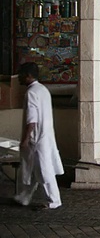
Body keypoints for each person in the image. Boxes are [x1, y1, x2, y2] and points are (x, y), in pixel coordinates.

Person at [14, 62, 64, 209]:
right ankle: (24, 197)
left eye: (21, 75)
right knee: (34, 169)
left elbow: (32, 120)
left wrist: (25, 139)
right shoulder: (43, 90)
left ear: (28, 76)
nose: (19, 79)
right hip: (46, 136)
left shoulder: (31, 93)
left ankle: (54, 201)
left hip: (36, 139)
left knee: (43, 170)